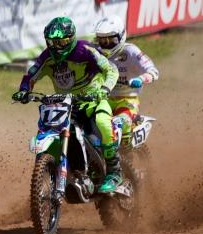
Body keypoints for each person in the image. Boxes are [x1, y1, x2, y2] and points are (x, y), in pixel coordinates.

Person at [12, 16, 122, 194]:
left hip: (94, 100)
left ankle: (114, 173)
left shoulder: (85, 50)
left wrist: (104, 89)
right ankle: (65, 172)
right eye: (52, 42)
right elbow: (31, 75)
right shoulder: (47, 57)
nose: (57, 46)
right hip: (67, 105)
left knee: (103, 122)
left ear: (71, 39)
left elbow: (111, 69)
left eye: (61, 42)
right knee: (54, 129)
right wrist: (24, 90)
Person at [92, 17, 159, 142]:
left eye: (110, 40)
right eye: (102, 40)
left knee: (123, 121)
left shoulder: (131, 51)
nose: (106, 44)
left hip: (127, 99)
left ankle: (126, 150)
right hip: (102, 98)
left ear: (121, 36)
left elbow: (153, 71)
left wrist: (140, 79)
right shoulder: (95, 52)